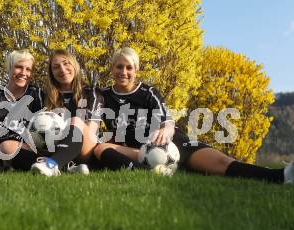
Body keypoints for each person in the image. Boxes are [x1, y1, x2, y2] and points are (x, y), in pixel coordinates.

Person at [91, 47, 294, 184]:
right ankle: (146, 169)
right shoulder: (103, 96)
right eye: (119, 66)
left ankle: (282, 176)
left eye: (129, 67)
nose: (123, 72)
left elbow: (168, 121)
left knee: (222, 163)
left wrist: (166, 130)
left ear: (136, 71)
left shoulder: (147, 91)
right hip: (138, 152)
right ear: (112, 68)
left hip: (174, 145)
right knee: (101, 148)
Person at [30, 49, 104, 176]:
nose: (62, 70)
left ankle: (52, 164)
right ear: (51, 73)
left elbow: (92, 132)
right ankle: (68, 166)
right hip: (55, 147)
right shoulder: (46, 96)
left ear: (74, 65)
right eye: (56, 67)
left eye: (66, 63)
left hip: (87, 149)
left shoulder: (91, 93)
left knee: (75, 121)